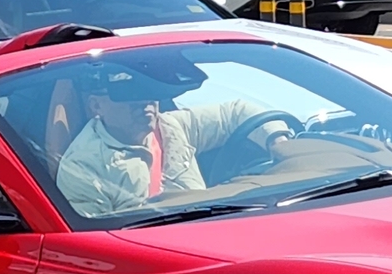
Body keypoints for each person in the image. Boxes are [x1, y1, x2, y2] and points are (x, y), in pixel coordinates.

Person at [52, 61, 293, 218]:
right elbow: (97, 243)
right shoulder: (82, 167)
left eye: (149, 92)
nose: (145, 103)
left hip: (218, 229)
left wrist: (279, 143)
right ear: (97, 105)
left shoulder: (171, 126)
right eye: (128, 95)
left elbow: (236, 113)